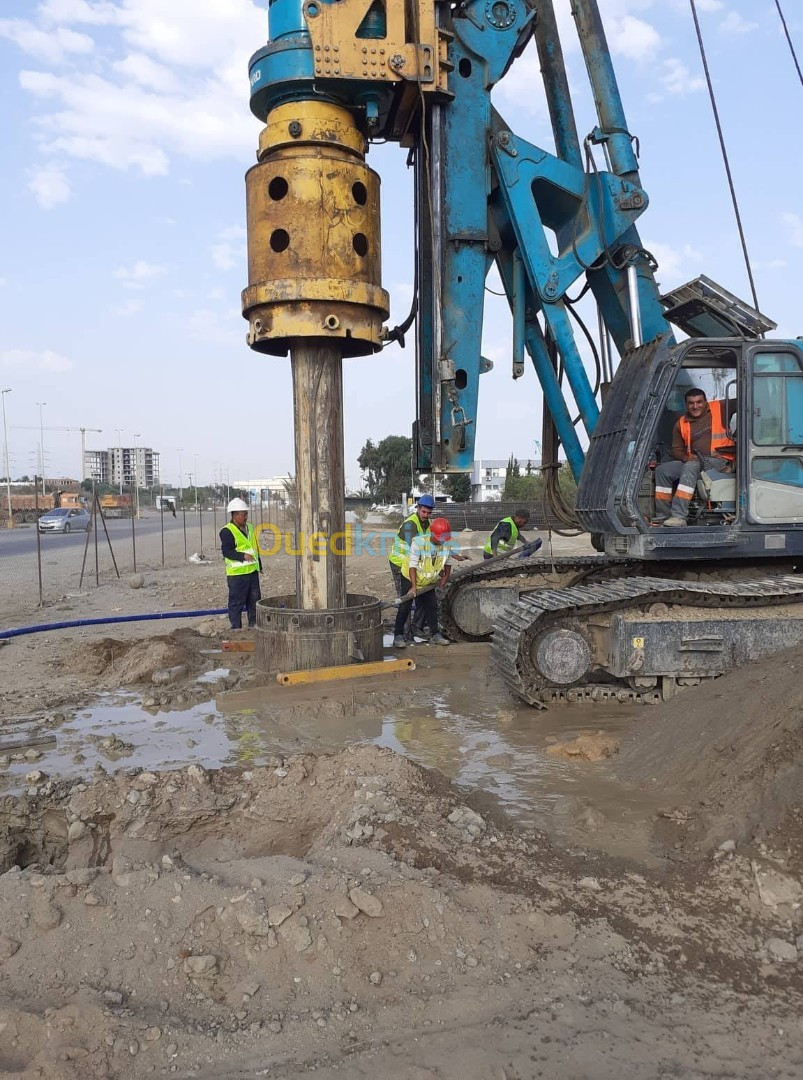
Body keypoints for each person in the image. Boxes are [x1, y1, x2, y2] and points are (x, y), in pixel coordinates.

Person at [654, 388, 735, 527]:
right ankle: (663, 516)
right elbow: (677, 450)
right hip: (694, 461)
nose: (695, 406)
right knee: (662, 470)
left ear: (705, 402)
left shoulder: (721, 407)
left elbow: (748, 402)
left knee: (691, 466)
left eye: (699, 402)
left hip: (720, 460)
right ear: (686, 404)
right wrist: (686, 457)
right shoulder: (681, 423)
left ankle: (679, 516)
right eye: (691, 403)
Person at [393, 516, 453, 648]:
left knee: (431, 606)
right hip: (410, 577)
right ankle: (398, 635)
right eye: (440, 539)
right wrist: (413, 587)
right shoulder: (419, 543)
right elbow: (412, 566)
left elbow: (448, 562)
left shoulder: (446, 543)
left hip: (427, 579)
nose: (442, 541)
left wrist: (446, 576)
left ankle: (435, 634)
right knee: (405, 606)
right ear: (432, 534)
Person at [388, 494, 434, 643]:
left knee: (425, 593)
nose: (426, 515)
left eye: (428, 513)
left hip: (414, 563)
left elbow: (433, 542)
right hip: (400, 563)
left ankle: (418, 627)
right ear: (418, 509)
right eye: (423, 512)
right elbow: (417, 548)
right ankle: (404, 635)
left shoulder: (427, 523)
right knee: (406, 597)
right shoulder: (410, 525)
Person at [220, 497, 262, 629]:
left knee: (254, 602)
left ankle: (253, 626)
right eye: (243, 514)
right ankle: (236, 629)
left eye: (246, 514)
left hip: (252, 573)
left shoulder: (249, 527)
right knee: (236, 604)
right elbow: (227, 551)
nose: (245, 517)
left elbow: (253, 548)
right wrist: (242, 556)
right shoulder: (227, 531)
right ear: (234, 514)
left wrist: (259, 565)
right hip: (237, 575)